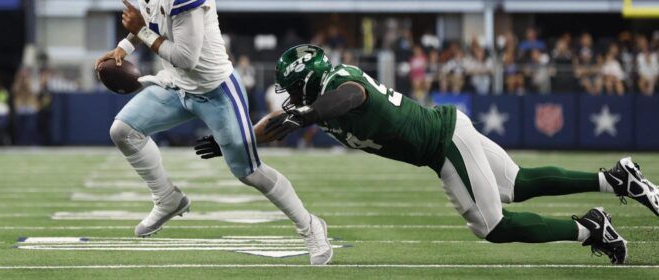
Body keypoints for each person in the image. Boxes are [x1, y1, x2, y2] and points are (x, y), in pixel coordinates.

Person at [195, 44, 659, 265]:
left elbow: (353, 96)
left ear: (304, 78)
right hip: (448, 129)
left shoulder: (337, 86)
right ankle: (615, 179)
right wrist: (230, 138)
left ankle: (588, 229)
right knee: (516, 184)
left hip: (443, 144)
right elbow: (275, 126)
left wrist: (307, 116)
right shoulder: (313, 100)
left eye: (290, 86)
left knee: (491, 226)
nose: (288, 96)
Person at [94, 0, 331, 265]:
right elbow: (149, 24)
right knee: (123, 131)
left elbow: (186, 57)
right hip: (176, 85)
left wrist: (141, 34)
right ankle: (168, 199)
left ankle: (311, 226)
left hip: (214, 89)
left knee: (250, 172)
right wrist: (123, 48)